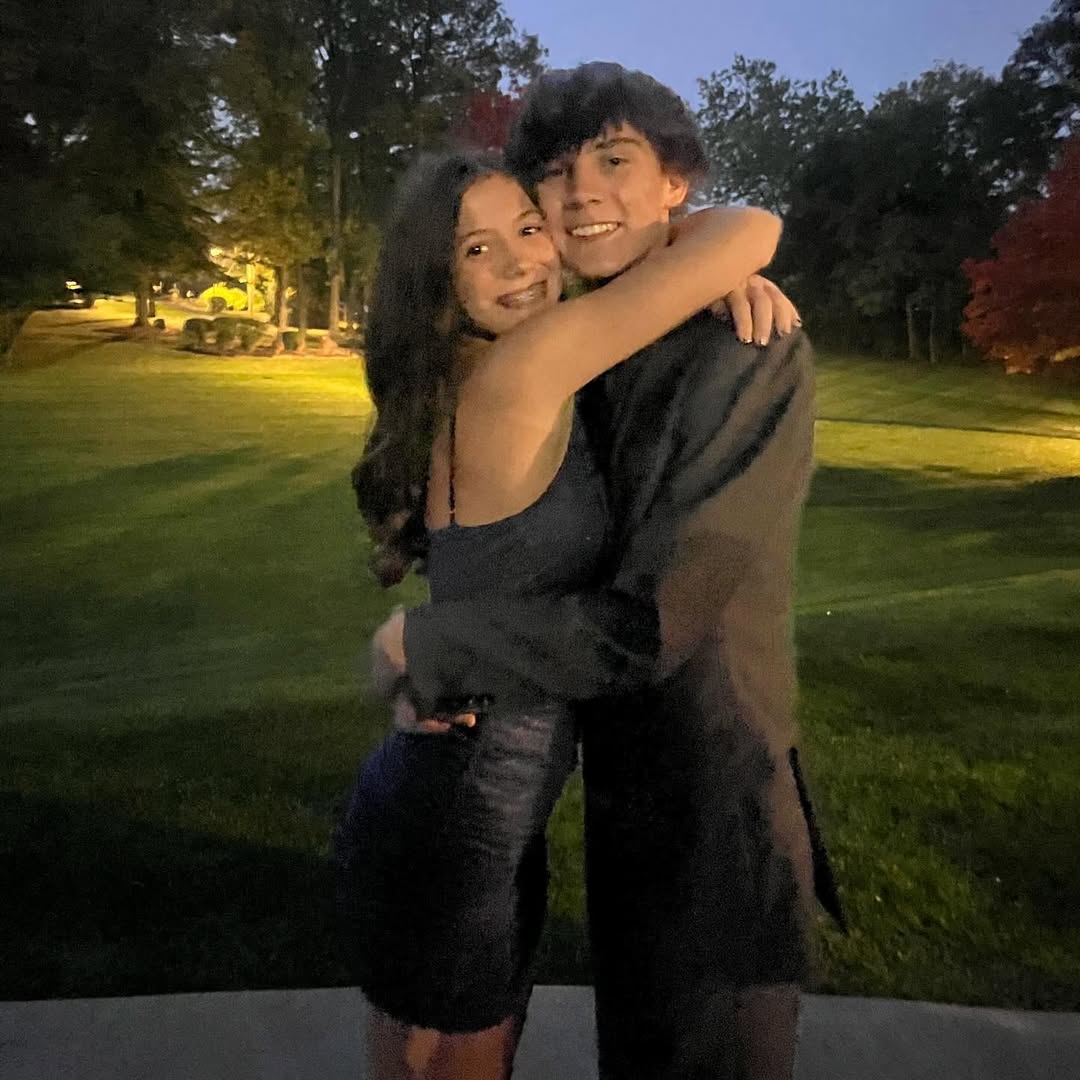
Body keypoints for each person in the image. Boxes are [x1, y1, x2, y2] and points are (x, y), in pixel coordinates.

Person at [372, 63, 843, 1080]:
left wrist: (428, 646)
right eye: (555, 172)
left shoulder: (743, 351)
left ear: (677, 182)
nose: (581, 193)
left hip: (713, 795)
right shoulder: (573, 347)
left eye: (616, 161)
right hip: (608, 789)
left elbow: (657, 622)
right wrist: (706, 257)